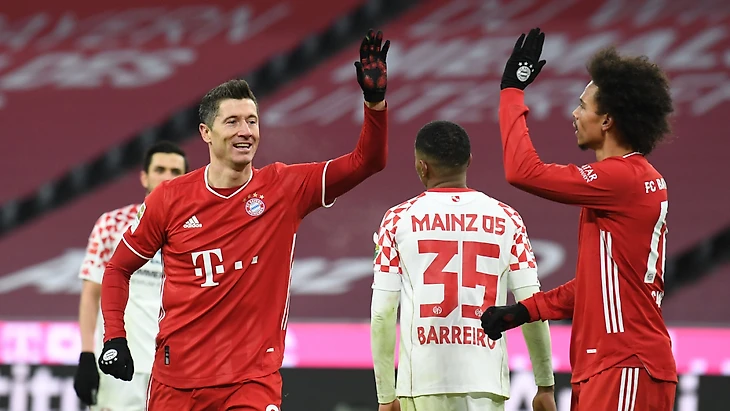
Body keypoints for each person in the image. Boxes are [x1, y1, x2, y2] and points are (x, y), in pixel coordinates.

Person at [95, 29, 390, 410]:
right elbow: (117, 269)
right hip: (176, 382)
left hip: (251, 381)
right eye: (232, 122)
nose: (246, 131)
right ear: (206, 133)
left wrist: (374, 103)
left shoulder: (285, 187)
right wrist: (114, 337)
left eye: (252, 121)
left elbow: (367, 162)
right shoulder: (169, 198)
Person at [480, 28, 677, 410]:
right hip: (611, 364)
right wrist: (526, 310)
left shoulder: (621, 179)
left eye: (582, 106)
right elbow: (601, 283)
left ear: (607, 121)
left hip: (624, 363)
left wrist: (512, 91)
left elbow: (523, 171)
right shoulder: (632, 179)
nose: (574, 114)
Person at [370, 120, 557, 411]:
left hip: (422, 383)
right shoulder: (508, 218)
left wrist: (385, 395)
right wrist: (545, 385)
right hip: (487, 383)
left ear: (422, 166)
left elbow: (383, 313)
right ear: (469, 160)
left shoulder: (397, 220)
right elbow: (532, 305)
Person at [73, 141, 188, 409]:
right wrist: (87, 354)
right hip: (122, 365)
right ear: (144, 177)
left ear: (186, 180)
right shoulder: (112, 224)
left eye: (175, 171)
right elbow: (91, 295)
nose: (167, 177)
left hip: (179, 367)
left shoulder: (200, 231)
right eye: (159, 169)